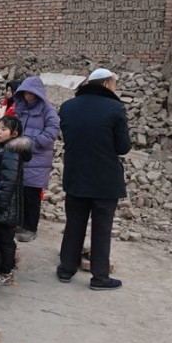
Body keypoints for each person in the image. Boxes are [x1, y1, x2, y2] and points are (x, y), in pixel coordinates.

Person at [57, 68, 131, 291]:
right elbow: (123, 147)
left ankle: (66, 269)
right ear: (108, 84)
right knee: (101, 229)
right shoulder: (115, 109)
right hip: (104, 180)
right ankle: (100, 278)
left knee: (74, 224)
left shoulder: (68, 107)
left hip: (75, 176)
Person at [0, 116, 33, 286]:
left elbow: (8, 181)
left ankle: (6, 272)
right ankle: (4, 266)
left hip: (5, 205)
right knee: (2, 237)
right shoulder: (4, 148)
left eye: (3, 129)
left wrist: (0, 203)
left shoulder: (10, 152)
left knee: (4, 238)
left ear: (14, 133)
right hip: (2, 202)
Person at [12, 76, 59, 243]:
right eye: (25, 93)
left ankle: (31, 228)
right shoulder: (21, 108)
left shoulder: (48, 110)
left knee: (32, 195)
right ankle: (20, 223)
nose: (28, 97)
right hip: (20, 157)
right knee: (20, 192)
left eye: (31, 94)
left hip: (37, 159)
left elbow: (52, 132)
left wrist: (30, 143)